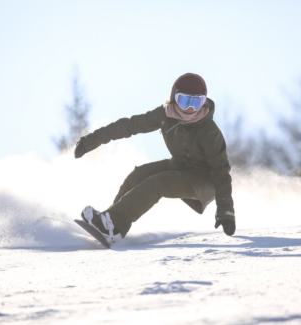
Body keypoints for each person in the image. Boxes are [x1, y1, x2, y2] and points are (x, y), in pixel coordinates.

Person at [74, 73, 236, 243]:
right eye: (184, 101)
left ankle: (113, 225)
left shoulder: (209, 131)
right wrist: (90, 141)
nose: (190, 109)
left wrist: (226, 211)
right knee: (139, 174)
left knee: (158, 183)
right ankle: (111, 221)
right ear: (174, 98)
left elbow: (221, 171)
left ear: (204, 102)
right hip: (180, 167)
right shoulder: (166, 115)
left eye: (196, 102)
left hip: (205, 179)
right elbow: (130, 125)